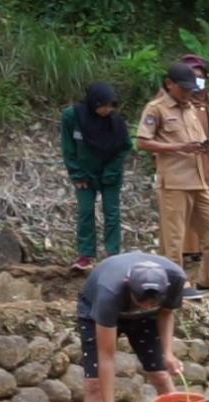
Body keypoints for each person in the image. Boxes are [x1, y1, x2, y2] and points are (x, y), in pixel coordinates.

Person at [74, 253, 187, 402]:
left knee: (161, 374)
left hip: (145, 321)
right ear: (128, 284)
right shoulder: (109, 291)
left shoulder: (176, 278)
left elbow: (166, 313)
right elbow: (106, 359)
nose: (144, 305)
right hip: (96, 312)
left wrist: (168, 353)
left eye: (152, 302)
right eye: (141, 300)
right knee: (94, 384)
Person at [136, 63, 209, 293]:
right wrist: (179, 147)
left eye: (191, 89)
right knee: (174, 237)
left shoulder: (190, 108)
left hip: (198, 181)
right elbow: (142, 142)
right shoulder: (156, 108)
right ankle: (177, 284)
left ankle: (207, 279)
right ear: (170, 84)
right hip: (174, 183)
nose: (189, 93)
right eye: (184, 88)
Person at [62, 83, 131, 272]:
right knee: (85, 211)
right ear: (94, 102)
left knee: (112, 212)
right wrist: (77, 174)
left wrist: (111, 171)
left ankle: (112, 255)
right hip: (85, 174)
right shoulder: (72, 116)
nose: (107, 110)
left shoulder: (115, 122)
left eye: (111, 106)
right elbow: (68, 148)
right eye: (104, 105)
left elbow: (124, 147)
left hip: (110, 174)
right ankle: (85, 255)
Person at [176, 54, 209, 269]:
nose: (198, 81)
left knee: (204, 206)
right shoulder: (177, 104)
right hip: (184, 164)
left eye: (201, 77)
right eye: (194, 77)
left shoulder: (204, 101)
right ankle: (184, 250)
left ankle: (199, 250)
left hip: (205, 159)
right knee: (184, 206)